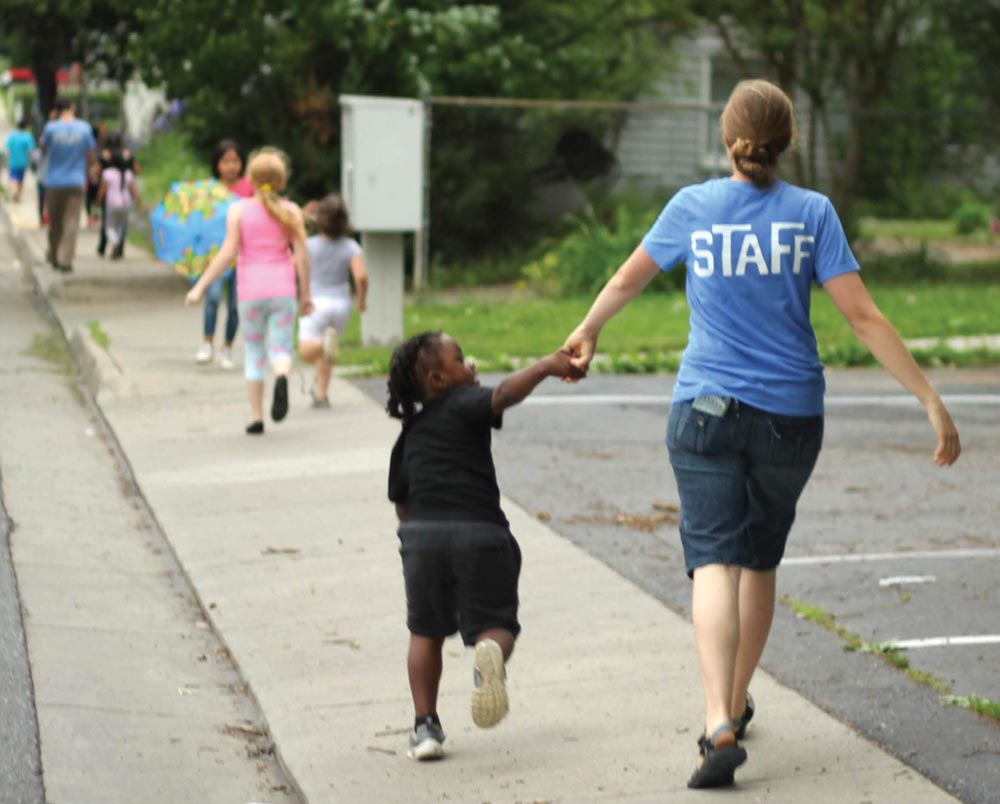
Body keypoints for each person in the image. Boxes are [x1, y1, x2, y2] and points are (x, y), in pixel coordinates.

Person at [561, 79, 961, 789]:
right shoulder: (812, 213)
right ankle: (739, 702)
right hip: (790, 417)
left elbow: (627, 280)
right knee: (759, 558)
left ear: (727, 138)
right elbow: (863, 318)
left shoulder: (694, 207)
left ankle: (716, 719)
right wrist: (929, 398)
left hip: (705, 409)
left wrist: (586, 331)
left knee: (713, 559)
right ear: (788, 140)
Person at [386, 331, 581, 761]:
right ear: (437, 380)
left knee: (425, 632)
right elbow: (505, 394)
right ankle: (489, 656)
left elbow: (401, 503)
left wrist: (422, 536)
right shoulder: (464, 404)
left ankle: (425, 727)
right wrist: (547, 365)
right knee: (496, 623)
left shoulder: (409, 435)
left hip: (422, 539)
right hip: (480, 534)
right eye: (460, 360)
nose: (471, 365)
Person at [185, 147, 313, 435]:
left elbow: (227, 253)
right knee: (280, 348)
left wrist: (200, 286)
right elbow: (302, 257)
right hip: (282, 290)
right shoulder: (291, 212)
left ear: (251, 180)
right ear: (281, 181)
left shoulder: (238, 211)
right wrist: (305, 294)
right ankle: (281, 374)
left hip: (250, 292)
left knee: (254, 351)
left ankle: (256, 417)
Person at [297, 194, 368, 407]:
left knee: (307, 351)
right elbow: (361, 276)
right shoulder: (350, 246)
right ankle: (321, 394)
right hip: (341, 305)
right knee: (327, 353)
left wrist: (301, 217)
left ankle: (323, 344)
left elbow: (293, 261)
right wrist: (362, 300)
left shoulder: (308, 245)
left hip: (316, 303)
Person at [194, 139, 254, 370]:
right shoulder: (209, 190)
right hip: (216, 256)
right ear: (216, 164)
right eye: (226, 161)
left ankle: (227, 348)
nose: (231, 166)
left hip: (242, 256)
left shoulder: (249, 189)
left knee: (236, 306)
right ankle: (207, 343)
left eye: (235, 161)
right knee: (212, 298)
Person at [40, 97, 96, 273]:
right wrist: (88, 172)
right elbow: (90, 155)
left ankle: (54, 255)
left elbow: (44, 148)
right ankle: (65, 260)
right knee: (71, 222)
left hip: (54, 181)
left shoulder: (50, 128)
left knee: (55, 222)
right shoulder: (85, 128)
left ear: (56, 110)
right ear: (72, 108)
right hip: (75, 180)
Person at [95, 140, 143, 259]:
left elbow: (102, 189)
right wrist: (139, 203)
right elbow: (134, 190)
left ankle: (115, 243)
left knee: (109, 227)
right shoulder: (128, 174)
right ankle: (119, 247)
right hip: (126, 202)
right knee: (121, 226)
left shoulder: (108, 173)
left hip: (111, 202)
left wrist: (98, 200)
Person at [4, 118, 35, 202]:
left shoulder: (12, 135)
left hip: (13, 161)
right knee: (21, 179)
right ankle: (18, 196)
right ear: (26, 126)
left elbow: (7, 150)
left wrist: (7, 159)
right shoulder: (28, 136)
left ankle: (14, 192)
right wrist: (32, 161)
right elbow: (30, 151)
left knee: (13, 178)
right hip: (23, 162)